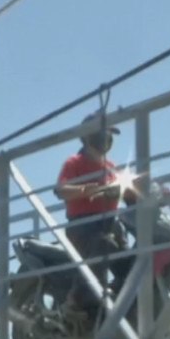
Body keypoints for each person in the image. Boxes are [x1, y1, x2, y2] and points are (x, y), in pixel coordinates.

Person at [54, 112, 136, 308]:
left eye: (109, 134)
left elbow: (129, 192)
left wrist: (152, 191)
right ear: (87, 137)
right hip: (83, 228)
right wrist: (83, 190)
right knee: (103, 244)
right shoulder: (74, 162)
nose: (107, 138)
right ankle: (76, 298)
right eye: (103, 133)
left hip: (111, 225)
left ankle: (121, 302)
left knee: (131, 262)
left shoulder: (111, 167)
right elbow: (61, 190)